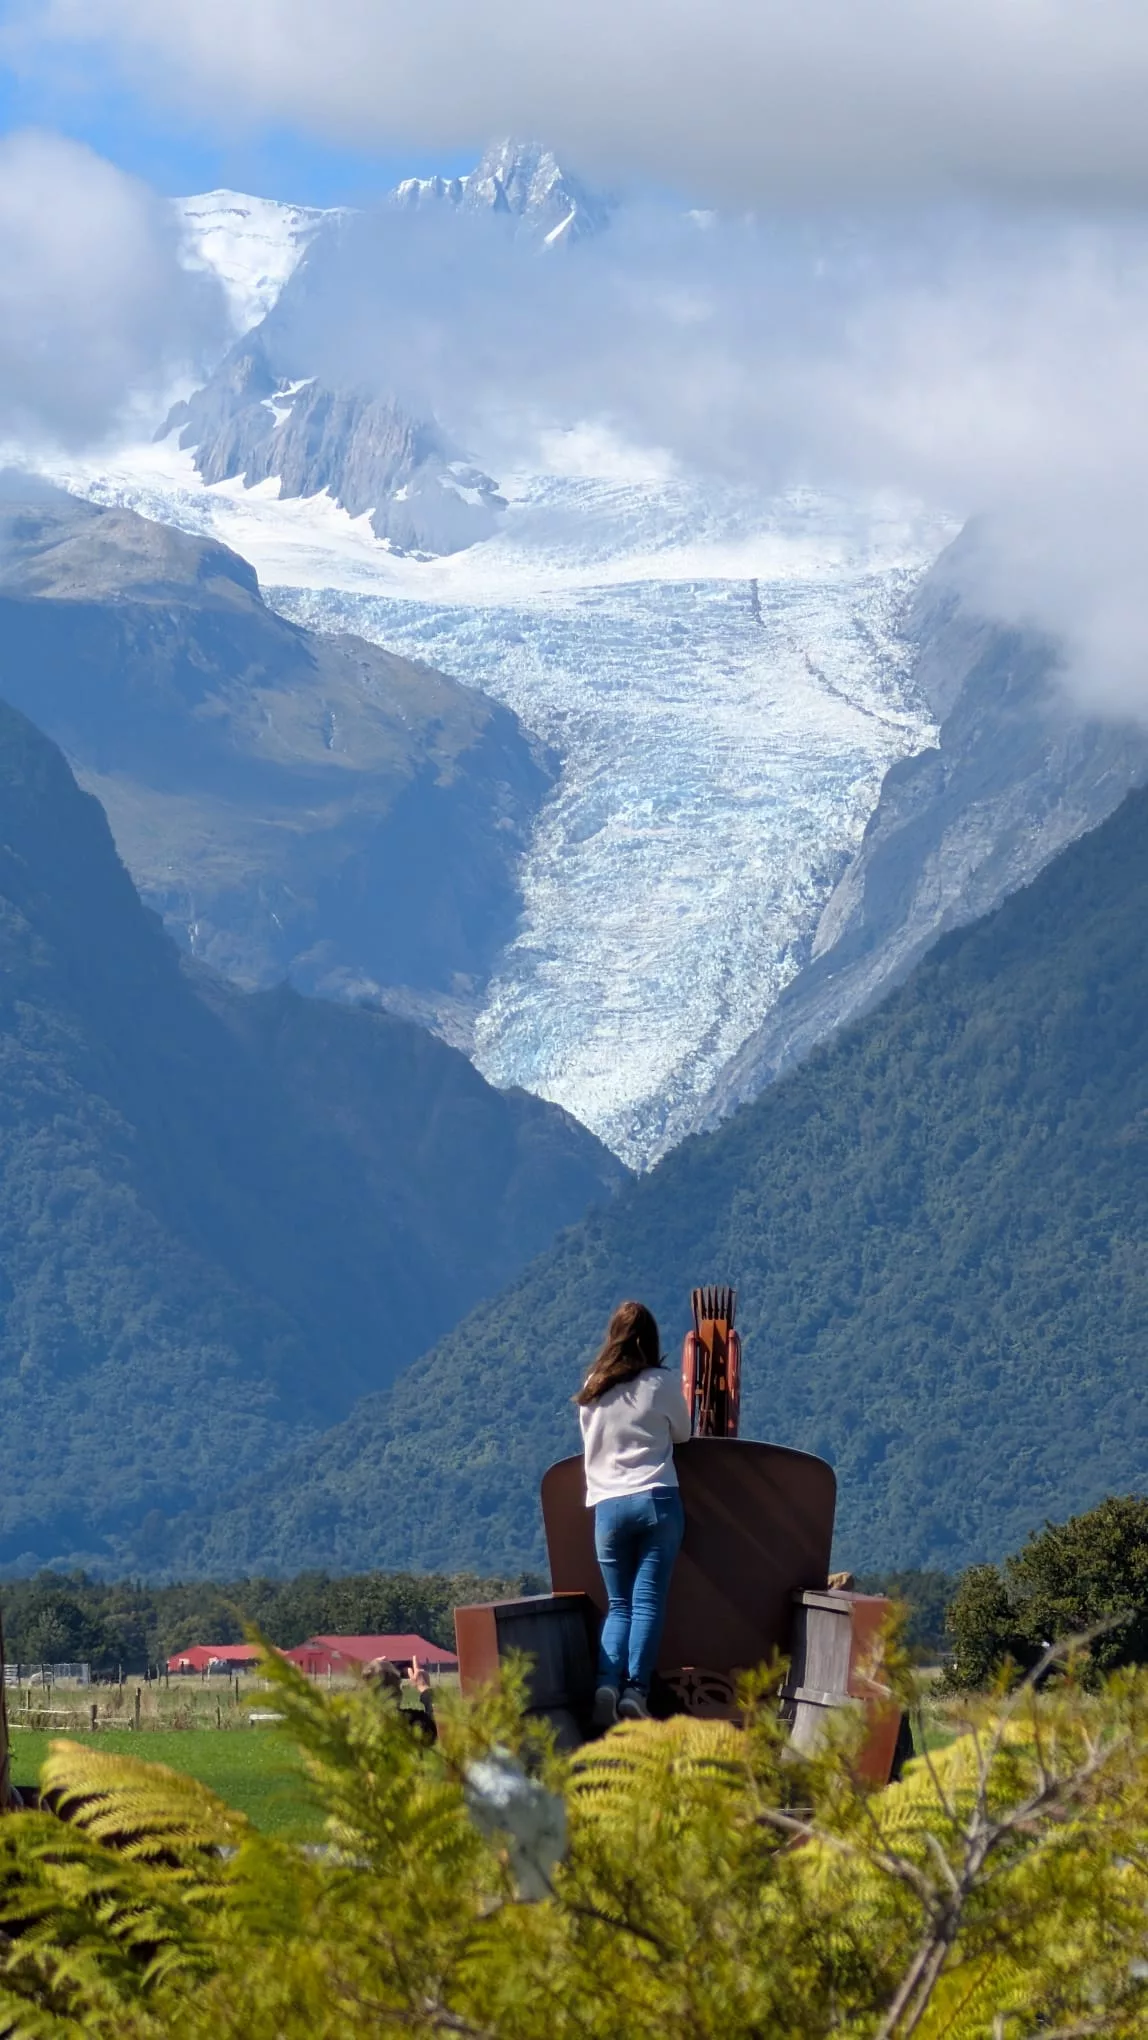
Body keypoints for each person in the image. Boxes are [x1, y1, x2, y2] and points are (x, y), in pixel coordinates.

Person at [576, 1299, 692, 1726]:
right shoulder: (659, 1383)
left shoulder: (592, 1387)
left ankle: (606, 1683)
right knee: (647, 1604)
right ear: (650, 1338)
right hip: (655, 1500)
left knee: (619, 1604)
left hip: (606, 1508)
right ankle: (635, 1691)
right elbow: (684, 1433)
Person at [364, 1653, 437, 1741]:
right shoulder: (414, 1723)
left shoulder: (358, 1726)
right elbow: (442, 1725)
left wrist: (372, 1668)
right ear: (400, 1691)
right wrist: (424, 1687)